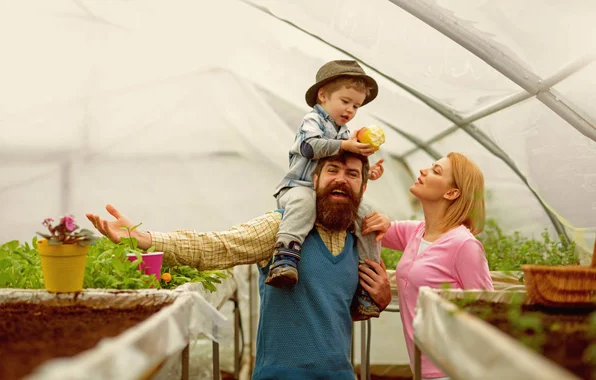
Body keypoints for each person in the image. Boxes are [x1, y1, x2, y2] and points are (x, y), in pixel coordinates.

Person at [86, 151, 392, 380]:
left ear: (363, 186)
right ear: (314, 180)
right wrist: (143, 237)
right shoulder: (282, 230)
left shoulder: (361, 241)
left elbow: (332, 311)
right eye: (332, 170)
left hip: (340, 374)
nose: (341, 178)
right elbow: (217, 246)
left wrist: (380, 299)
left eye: (352, 174)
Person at [268, 59, 385, 321]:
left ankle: (367, 280)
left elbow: (344, 168)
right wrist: (345, 147)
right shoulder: (313, 120)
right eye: (345, 101)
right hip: (297, 187)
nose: (351, 110)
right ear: (323, 95)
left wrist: (368, 171)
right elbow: (309, 147)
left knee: (367, 215)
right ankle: (285, 256)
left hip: (324, 193)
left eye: (356, 105)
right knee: (304, 200)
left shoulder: (344, 132)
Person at [362, 152, 494, 380]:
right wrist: (362, 176)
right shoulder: (416, 232)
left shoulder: (464, 245)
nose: (423, 171)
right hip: (423, 370)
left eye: (436, 171)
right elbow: (365, 223)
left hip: (453, 371)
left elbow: (488, 313)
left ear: (452, 193)